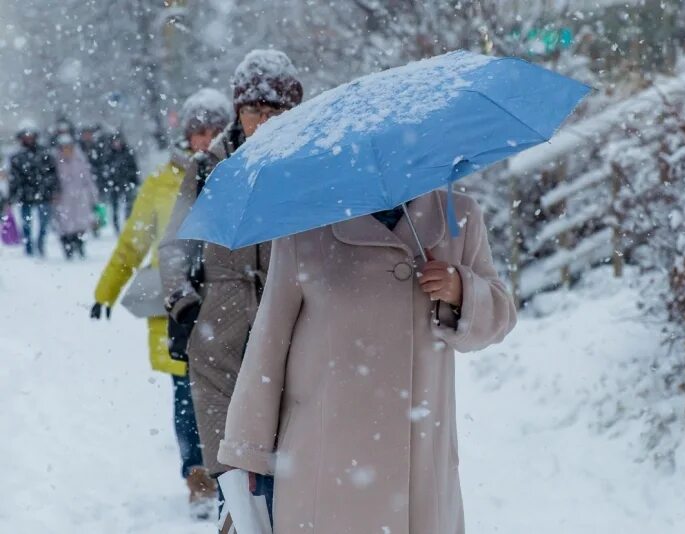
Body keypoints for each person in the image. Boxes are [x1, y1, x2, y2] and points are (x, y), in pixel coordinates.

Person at [216, 190, 517, 533]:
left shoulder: (457, 215)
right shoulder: (305, 224)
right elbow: (268, 344)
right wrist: (246, 453)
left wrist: (461, 289)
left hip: (421, 462)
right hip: (323, 457)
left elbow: (499, 317)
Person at [159, 49, 303, 529]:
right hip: (220, 329)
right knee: (231, 469)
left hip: (292, 324)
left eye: (274, 112)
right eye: (253, 111)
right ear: (238, 111)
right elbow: (175, 243)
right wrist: (184, 303)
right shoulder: (207, 168)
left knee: (290, 464)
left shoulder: (307, 165)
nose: (263, 123)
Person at [90, 88, 231, 519]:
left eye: (213, 130)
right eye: (197, 130)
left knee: (226, 399)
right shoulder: (161, 183)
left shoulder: (239, 174)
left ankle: (231, 479)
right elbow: (133, 243)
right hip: (179, 311)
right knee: (187, 402)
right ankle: (198, 479)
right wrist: (105, 292)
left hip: (227, 309)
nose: (204, 139)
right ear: (186, 133)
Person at [8, 121, 59, 257]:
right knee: (26, 224)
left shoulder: (45, 153)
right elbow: (14, 179)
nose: (28, 138)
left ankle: (40, 243)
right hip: (25, 196)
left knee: (44, 223)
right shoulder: (16, 157)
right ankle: (28, 246)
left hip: (44, 194)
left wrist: (54, 190)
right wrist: (11, 197)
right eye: (26, 136)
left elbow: (53, 174)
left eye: (31, 135)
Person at [51, 134, 98, 259]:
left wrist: (93, 196)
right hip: (63, 198)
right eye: (64, 148)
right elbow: (52, 180)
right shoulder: (55, 162)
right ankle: (68, 247)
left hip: (80, 197)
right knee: (64, 225)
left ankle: (80, 246)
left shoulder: (80, 160)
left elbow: (88, 179)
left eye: (69, 147)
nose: (66, 150)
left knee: (80, 224)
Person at [100, 131, 139, 234]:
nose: (117, 143)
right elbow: (105, 171)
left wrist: (134, 181)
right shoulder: (109, 154)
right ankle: (117, 227)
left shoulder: (128, 152)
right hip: (114, 185)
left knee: (129, 206)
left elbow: (134, 168)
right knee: (115, 207)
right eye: (115, 141)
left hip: (127, 183)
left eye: (118, 141)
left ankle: (129, 223)